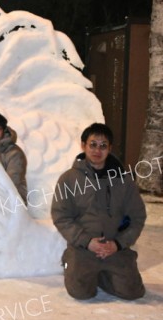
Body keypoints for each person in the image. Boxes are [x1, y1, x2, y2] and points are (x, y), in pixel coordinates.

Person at [51, 123, 146, 300]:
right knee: (81, 293)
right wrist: (86, 241)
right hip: (83, 247)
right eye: (93, 144)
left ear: (109, 148)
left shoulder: (123, 179)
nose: (97, 150)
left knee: (133, 292)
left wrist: (118, 244)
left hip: (115, 247)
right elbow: (61, 216)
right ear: (83, 145)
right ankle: (70, 262)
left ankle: (103, 273)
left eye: (103, 146)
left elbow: (137, 217)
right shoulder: (69, 179)